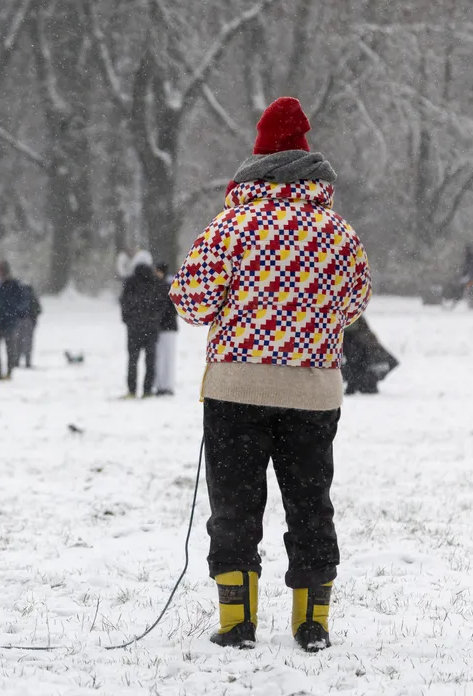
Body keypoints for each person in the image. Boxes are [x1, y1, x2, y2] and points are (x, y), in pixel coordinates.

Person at [170, 96, 372, 652]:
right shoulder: (338, 231)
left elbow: (190, 301)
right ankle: (313, 623)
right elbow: (355, 304)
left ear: (255, 161)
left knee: (235, 505)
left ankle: (237, 622)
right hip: (314, 391)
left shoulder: (229, 226)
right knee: (311, 503)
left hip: (237, 388)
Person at [119, 251, 164, 398]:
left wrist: (128, 320)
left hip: (134, 328)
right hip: (151, 327)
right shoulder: (155, 281)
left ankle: (132, 390)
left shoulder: (130, 281)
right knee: (150, 360)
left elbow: (124, 302)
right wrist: (156, 319)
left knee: (133, 359)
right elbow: (161, 303)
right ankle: (147, 390)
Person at [342, 316, 398, 395]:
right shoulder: (360, 331)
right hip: (368, 354)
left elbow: (354, 363)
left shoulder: (357, 336)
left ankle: (361, 383)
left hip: (367, 354)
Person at [0, 261, 25, 381]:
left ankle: (9, 372)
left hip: (9, 322)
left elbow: (22, 301)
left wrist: (14, 312)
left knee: (10, 349)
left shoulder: (14, 284)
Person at [154, 263, 179, 396]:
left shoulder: (160, 287)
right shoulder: (170, 287)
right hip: (169, 327)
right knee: (165, 358)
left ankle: (164, 385)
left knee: (164, 357)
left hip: (164, 327)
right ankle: (164, 385)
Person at [15, 282, 41, 368]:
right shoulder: (32, 296)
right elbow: (38, 309)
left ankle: (16, 361)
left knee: (18, 342)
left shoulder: (18, 296)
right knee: (28, 342)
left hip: (19, 320)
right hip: (29, 320)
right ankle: (28, 361)